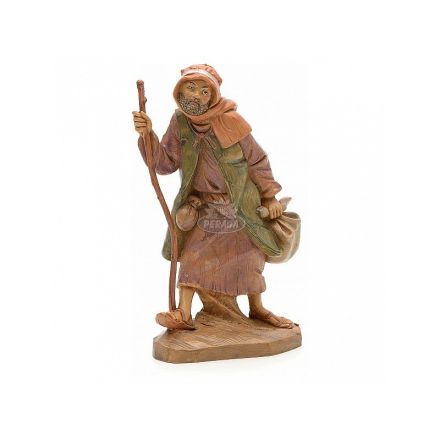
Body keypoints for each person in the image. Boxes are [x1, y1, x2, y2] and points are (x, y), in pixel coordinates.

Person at [133, 64, 294, 330]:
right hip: (202, 206)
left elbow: (257, 160)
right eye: (191, 88)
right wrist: (147, 135)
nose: (196, 95)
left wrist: (269, 197)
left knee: (249, 257)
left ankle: (257, 308)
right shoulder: (180, 122)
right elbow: (164, 163)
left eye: (204, 91)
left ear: (213, 96)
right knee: (192, 256)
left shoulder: (232, 121)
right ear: (180, 90)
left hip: (239, 204)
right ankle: (183, 313)